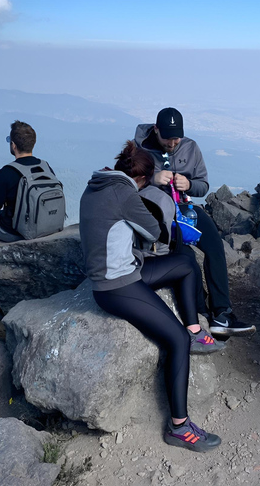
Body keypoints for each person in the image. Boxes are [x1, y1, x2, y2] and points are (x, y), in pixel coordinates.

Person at [79, 141, 222, 452]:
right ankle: (179, 427)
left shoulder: (97, 184)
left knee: (185, 264)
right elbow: (157, 232)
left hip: (125, 270)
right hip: (116, 286)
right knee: (176, 341)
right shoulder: (126, 194)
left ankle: (195, 329)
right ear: (142, 179)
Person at [134, 107, 256, 338]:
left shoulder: (190, 147)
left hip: (186, 210)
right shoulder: (140, 149)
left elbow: (203, 186)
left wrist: (189, 185)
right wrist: (151, 179)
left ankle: (222, 314)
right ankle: (201, 314)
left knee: (215, 246)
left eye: (176, 138)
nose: (172, 143)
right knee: (186, 257)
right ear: (156, 129)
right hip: (158, 213)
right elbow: (127, 182)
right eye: (167, 138)